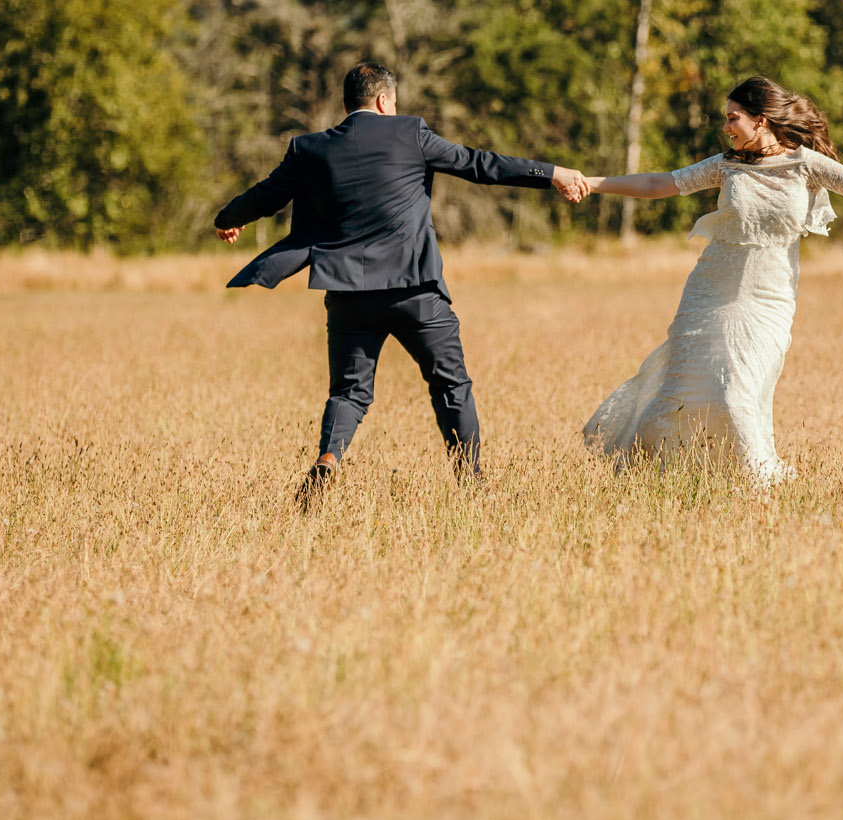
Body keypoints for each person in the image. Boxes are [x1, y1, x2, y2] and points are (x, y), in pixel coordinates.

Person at [214, 62, 588, 506]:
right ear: (383, 101)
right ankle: (471, 485)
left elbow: (266, 194)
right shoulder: (410, 133)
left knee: (349, 392)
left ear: (349, 103)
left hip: (348, 293)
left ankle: (329, 458)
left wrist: (228, 218)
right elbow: (480, 165)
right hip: (415, 291)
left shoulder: (309, 149)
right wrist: (551, 174)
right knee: (451, 384)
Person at [581, 75, 843, 483]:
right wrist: (593, 184)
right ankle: (656, 477)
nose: (726, 127)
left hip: (769, 298)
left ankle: (755, 484)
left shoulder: (805, 164)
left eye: (733, 118)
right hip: (709, 292)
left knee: (736, 393)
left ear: (761, 120)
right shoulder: (725, 166)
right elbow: (657, 182)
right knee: (681, 391)